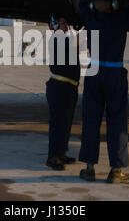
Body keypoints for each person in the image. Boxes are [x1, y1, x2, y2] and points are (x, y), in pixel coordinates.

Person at [78, 0, 129, 183]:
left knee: (91, 119)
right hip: (114, 73)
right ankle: (116, 171)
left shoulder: (91, 19)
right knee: (117, 120)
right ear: (113, 5)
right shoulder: (120, 18)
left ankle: (90, 168)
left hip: (94, 71)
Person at [46, 14, 80, 170]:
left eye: (66, 23)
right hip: (59, 87)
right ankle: (52, 157)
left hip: (69, 87)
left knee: (65, 123)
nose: (66, 26)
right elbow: (76, 44)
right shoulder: (56, 40)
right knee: (58, 124)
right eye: (62, 24)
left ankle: (61, 153)